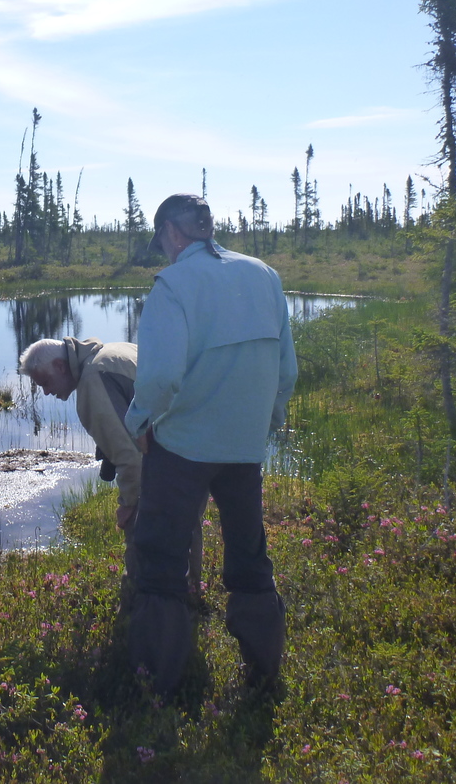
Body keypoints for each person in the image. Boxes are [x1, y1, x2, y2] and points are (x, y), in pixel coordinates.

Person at [124, 193, 297, 697]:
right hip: (245, 448)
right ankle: (263, 671)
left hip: (183, 447)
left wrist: (139, 421)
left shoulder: (173, 284)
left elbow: (159, 377)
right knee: (248, 554)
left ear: (172, 234)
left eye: (161, 241)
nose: (162, 250)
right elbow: (286, 369)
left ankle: (155, 681)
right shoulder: (264, 275)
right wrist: (268, 419)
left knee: (160, 556)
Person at [17, 337, 206, 593]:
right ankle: (191, 597)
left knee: (142, 539)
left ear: (61, 366)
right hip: (197, 443)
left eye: (45, 382)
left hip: (171, 456)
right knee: (186, 529)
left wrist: (129, 505)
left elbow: (130, 456)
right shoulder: (114, 351)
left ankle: (139, 614)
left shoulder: (92, 379)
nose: (47, 391)